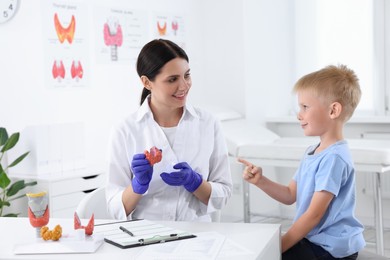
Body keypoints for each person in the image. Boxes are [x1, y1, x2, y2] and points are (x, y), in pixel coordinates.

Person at [239, 64, 365, 259]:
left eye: (305, 107)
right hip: (316, 239)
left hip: (332, 248)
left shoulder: (334, 158)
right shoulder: (312, 152)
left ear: (333, 110)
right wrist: (260, 181)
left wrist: (278, 247)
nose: (299, 114)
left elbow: (313, 216)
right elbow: (290, 194)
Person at [106, 39, 232, 222]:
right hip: (146, 236)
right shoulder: (125, 130)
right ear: (147, 82)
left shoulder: (208, 124)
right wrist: (137, 186)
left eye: (186, 75)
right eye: (172, 79)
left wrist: (196, 184)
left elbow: (225, 193)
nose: (184, 86)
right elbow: (114, 207)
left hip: (197, 235)